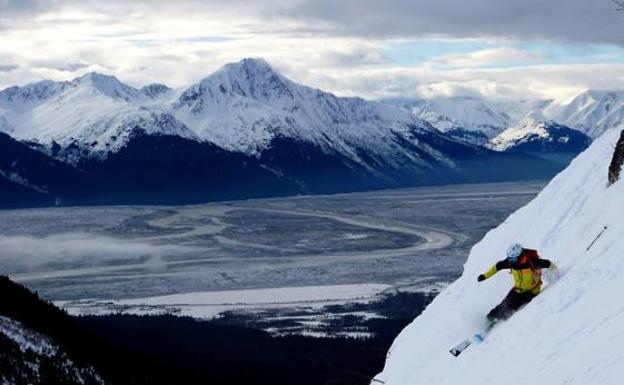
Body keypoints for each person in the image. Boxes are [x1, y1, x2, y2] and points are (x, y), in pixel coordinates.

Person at [477, 243, 558, 329]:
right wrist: (485, 276)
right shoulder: (510, 262)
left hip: (531, 291)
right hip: (517, 289)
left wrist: (556, 273)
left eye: (514, 259)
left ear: (521, 256)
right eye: (510, 258)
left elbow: (549, 264)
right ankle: (490, 319)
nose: (512, 261)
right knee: (504, 304)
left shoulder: (533, 262)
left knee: (512, 306)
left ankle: (499, 322)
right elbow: (497, 267)